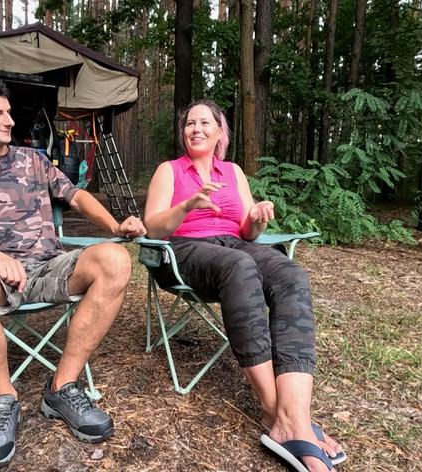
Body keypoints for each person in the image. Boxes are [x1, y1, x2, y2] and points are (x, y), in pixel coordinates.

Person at [0, 76, 146, 469]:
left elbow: (76, 196)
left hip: (48, 266)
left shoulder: (33, 160)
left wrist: (114, 226)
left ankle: (62, 386)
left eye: (9, 112)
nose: (9, 121)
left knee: (115, 260)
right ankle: (3, 399)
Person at [143, 100, 345, 472]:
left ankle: (295, 417)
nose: (196, 129)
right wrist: (188, 205)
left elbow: (247, 232)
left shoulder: (234, 172)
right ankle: (275, 414)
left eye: (205, 122)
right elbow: (153, 229)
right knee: (240, 267)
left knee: (290, 275)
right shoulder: (168, 171)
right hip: (184, 251)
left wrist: (258, 219)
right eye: (190, 123)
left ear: (220, 132)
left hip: (235, 245)